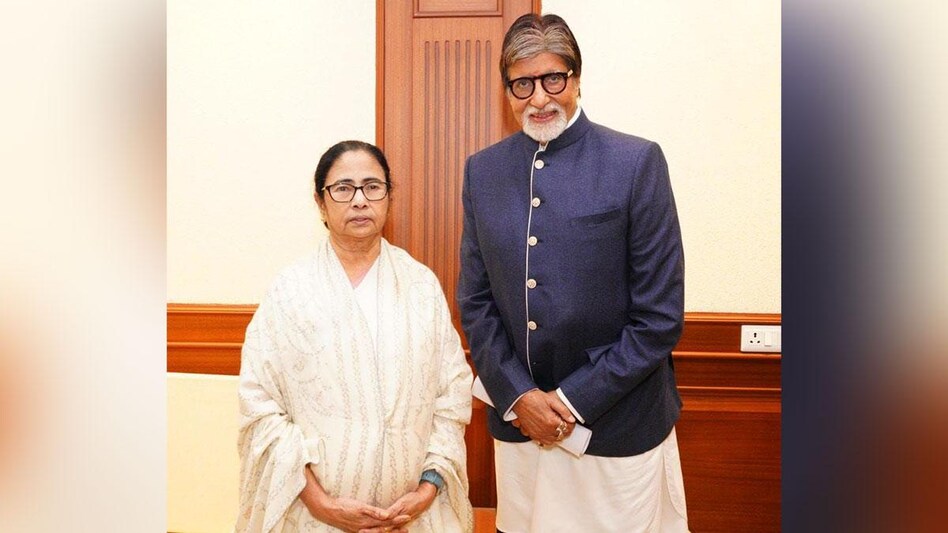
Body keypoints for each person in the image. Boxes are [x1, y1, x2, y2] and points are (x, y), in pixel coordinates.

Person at [457, 13, 689, 532]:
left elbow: (659, 319)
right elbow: (475, 302)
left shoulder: (636, 161)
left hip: (618, 427)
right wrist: (519, 397)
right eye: (522, 83)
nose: (539, 98)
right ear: (506, 90)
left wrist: (566, 403)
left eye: (552, 79)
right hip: (520, 429)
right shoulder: (483, 171)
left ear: (577, 79)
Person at [236, 140, 475, 533]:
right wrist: (319, 501)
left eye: (372, 186)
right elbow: (259, 405)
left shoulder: (420, 286)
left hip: (413, 517)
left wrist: (429, 488)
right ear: (321, 203)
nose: (360, 200)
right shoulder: (290, 291)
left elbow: (451, 397)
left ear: (388, 196)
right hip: (313, 516)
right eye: (343, 189)